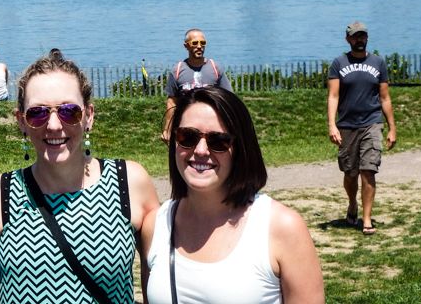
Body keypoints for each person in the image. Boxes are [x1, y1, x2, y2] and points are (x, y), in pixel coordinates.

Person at [0, 54, 160, 303]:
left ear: (89, 116)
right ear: (21, 121)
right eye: (37, 113)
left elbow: (159, 287)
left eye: (68, 111)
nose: (53, 125)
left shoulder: (129, 182)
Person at [142, 87, 324, 304]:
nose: (200, 150)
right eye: (187, 137)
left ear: (241, 148)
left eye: (218, 141)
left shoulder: (282, 227)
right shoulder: (156, 225)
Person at [327, 20, 396, 235]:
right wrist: (332, 125)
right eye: (356, 36)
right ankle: (352, 204)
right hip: (347, 125)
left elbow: (385, 98)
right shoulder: (339, 63)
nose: (360, 40)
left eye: (363, 36)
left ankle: (366, 219)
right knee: (350, 172)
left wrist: (392, 127)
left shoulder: (378, 63)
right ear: (348, 39)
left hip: (372, 123)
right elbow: (333, 95)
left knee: (369, 170)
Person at [163, 28, 233, 141]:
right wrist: (167, 130)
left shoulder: (216, 69)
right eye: (195, 43)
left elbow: (229, 98)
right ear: (186, 46)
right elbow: (171, 103)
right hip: (186, 125)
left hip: (212, 124)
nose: (199, 46)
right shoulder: (177, 71)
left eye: (203, 43)